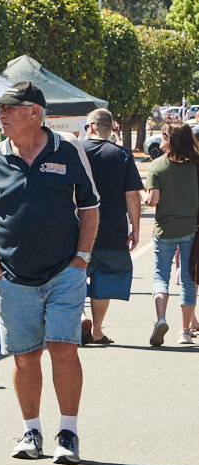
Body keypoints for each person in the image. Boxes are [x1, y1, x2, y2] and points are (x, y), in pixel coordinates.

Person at [0, 81, 99, 464]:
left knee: (62, 349)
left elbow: (90, 206)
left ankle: (68, 432)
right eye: (0, 108)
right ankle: (31, 430)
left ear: (35, 113)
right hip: (12, 277)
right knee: (25, 357)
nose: (2, 114)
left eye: (10, 108)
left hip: (64, 271)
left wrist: (81, 257)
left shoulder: (69, 149)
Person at [78, 107, 142, 345]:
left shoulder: (76, 151)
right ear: (110, 127)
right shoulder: (122, 155)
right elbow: (133, 195)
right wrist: (134, 228)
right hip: (111, 230)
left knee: (74, 276)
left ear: (91, 126)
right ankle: (96, 331)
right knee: (103, 282)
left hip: (76, 230)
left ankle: (80, 317)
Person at [142, 121, 199, 346]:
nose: (161, 139)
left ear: (171, 139)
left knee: (160, 276)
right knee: (188, 279)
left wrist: (141, 195)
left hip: (164, 228)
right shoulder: (195, 165)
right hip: (190, 228)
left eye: (164, 135)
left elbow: (153, 200)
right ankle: (185, 330)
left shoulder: (157, 166)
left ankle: (161, 318)